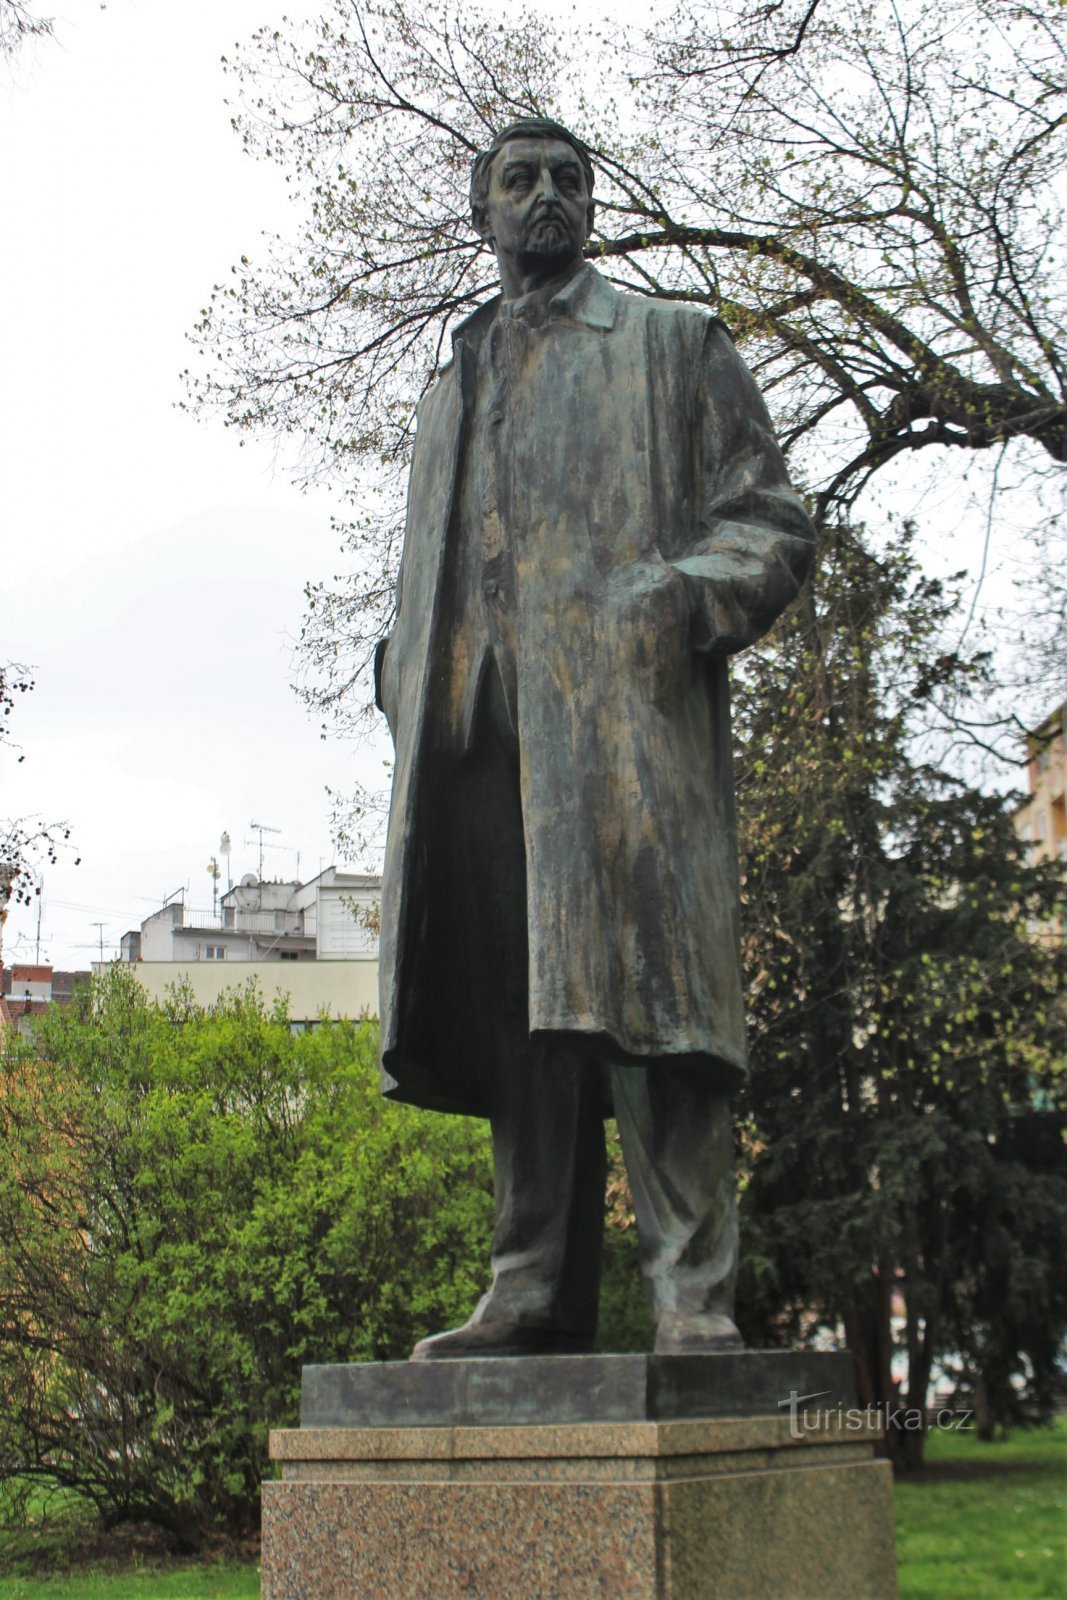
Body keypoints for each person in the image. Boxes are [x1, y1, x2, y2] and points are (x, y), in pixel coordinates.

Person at [373, 118, 815, 1358]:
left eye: (569, 179)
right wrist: (400, 668)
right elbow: (435, 560)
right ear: (483, 214)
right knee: (523, 1019)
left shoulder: (670, 346)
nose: (549, 197)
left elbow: (770, 525)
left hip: (619, 732)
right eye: (521, 180)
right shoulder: (448, 381)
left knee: (654, 1012)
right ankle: (525, 1288)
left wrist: (672, 598)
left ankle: (690, 1293)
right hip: (473, 750)